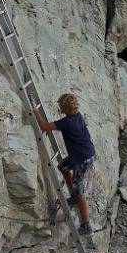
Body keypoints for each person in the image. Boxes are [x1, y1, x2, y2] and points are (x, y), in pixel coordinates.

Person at [32, 92, 95, 236]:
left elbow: (44, 126)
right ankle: (73, 196)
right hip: (84, 154)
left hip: (83, 159)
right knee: (63, 167)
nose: (59, 106)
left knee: (79, 191)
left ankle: (86, 226)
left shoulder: (67, 123)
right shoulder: (77, 117)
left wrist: (35, 110)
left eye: (60, 105)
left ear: (64, 107)